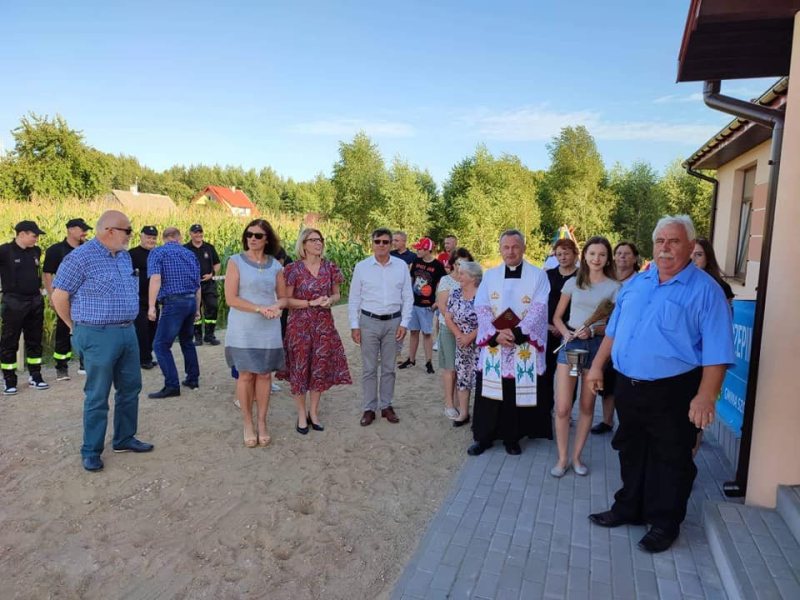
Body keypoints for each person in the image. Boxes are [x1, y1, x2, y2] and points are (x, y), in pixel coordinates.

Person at [585, 215, 734, 553]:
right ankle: (629, 508)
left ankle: (665, 523)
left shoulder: (706, 292)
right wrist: (596, 367)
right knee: (630, 448)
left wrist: (705, 396)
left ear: (691, 246)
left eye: (674, 241)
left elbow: (718, 351)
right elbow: (613, 331)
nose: (665, 248)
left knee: (671, 457)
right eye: (660, 241)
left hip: (674, 389)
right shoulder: (637, 283)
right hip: (628, 385)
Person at [50, 210, 153, 472]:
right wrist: (74, 327)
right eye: (128, 231)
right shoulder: (80, 258)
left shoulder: (124, 256)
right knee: (97, 394)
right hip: (97, 334)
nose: (130, 236)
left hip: (127, 331)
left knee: (130, 388)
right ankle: (91, 450)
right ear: (110, 231)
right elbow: (59, 296)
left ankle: (124, 438)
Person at [467, 229, 551, 456]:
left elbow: (539, 308)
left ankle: (512, 438)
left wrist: (517, 333)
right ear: (500, 249)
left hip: (523, 343)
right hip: (495, 344)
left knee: (515, 392)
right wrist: (495, 335)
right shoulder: (490, 275)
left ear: (524, 248)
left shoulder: (538, 276)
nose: (511, 251)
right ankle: (483, 437)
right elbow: (481, 306)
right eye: (506, 247)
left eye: (515, 247)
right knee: (489, 392)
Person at [551, 236, 620, 477]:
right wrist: (565, 333)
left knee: (587, 405)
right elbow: (557, 317)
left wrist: (594, 330)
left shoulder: (615, 288)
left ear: (607, 258)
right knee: (562, 407)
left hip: (597, 348)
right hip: (571, 345)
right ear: (585, 256)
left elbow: (615, 325)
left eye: (601, 254)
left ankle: (577, 457)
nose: (596, 258)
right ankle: (562, 459)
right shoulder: (573, 283)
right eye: (592, 254)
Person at [278, 228, 351, 434]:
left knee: (319, 370)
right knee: (300, 370)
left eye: (320, 240)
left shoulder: (330, 267)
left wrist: (330, 300)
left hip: (324, 327)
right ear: (304, 244)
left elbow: (337, 294)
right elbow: (286, 300)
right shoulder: (293, 269)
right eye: (313, 240)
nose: (318, 243)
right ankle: (302, 414)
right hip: (299, 327)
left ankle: (314, 412)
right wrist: (310, 303)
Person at [224, 219, 286, 447]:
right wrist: (259, 308)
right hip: (242, 329)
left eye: (258, 235)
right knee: (245, 375)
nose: (252, 238)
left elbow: (283, 297)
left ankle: (262, 422)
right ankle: (248, 423)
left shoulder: (276, 266)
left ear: (267, 239)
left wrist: (277, 307)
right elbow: (231, 299)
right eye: (249, 234)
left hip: (268, 329)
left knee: (264, 375)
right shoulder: (235, 262)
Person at [348, 228, 413, 426]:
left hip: (394, 322)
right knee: (369, 368)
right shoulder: (362, 267)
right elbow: (354, 298)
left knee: (389, 368)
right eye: (378, 241)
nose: (381, 245)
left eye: (385, 242)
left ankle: (386, 405)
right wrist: (354, 325)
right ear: (372, 243)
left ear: (391, 244)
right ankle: (369, 408)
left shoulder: (401, 266)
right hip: (368, 322)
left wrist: (404, 323)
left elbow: (408, 297)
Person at [592, 241, 640, 435]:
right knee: (608, 383)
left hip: (628, 342)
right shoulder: (608, 279)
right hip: (605, 338)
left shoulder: (639, 282)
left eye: (627, 254)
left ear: (635, 258)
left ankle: (628, 425)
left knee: (625, 387)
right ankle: (607, 421)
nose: (622, 257)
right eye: (619, 253)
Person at [147, 227, 201, 398]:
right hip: (190, 300)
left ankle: (172, 385)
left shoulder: (158, 253)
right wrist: (197, 307)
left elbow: (156, 279)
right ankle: (192, 379)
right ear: (179, 237)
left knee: (160, 345)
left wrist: (151, 306)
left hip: (173, 302)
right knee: (187, 341)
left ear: (164, 238)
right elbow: (198, 285)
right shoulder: (190, 254)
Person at [0, 220, 49, 394]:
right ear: (21, 234)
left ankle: (35, 376)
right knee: (9, 341)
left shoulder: (36, 251)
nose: (36, 239)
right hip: (14, 302)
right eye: (34, 235)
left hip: (34, 301)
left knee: (35, 340)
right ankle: (9, 380)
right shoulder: (5, 251)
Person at [43, 218, 91, 380]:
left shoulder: (89, 249)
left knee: (86, 331)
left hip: (85, 300)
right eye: (82, 229)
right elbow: (47, 274)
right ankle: (61, 367)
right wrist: (52, 296)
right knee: (63, 332)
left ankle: (85, 363)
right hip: (65, 298)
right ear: (70, 229)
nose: (85, 233)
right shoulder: (56, 250)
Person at [541, 238, 579, 423]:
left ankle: (567, 411)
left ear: (575, 254)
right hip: (548, 330)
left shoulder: (582, 277)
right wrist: (549, 326)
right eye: (559, 254)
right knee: (547, 373)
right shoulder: (547, 276)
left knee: (572, 374)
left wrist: (565, 329)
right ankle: (546, 409)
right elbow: (540, 304)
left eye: (566, 253)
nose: (563, 257)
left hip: (573, 334)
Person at [398, 237, 446, 374]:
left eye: (420, 249)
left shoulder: (437, 265)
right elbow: (411, 279)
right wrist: (406, 298)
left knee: (427, 333)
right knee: (413, 332)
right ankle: (411, 359)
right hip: (413, 303)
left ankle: (428, 362)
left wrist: (437, 301)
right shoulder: (416, 261)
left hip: (427, 305)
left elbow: (442, 285)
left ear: (427, 250)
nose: (417, 251)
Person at [436, 248, 473, 420]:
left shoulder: (472, 280)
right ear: (453, 264)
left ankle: (461, 404)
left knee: (463, 369)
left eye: (464, 263)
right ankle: (449, 404)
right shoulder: (446, 281)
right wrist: (455, 326)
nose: (460, 267)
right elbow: (442, 306)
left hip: (467, 331)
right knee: (450, 368)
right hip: (449, 329)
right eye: (458, 263)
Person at [446, 259, 482, 428]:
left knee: (480, 379)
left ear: (473, 277)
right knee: (462, 377)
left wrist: (470, 337)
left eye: (462, 274)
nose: (458, 276)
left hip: (481, 343)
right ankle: (463, 413)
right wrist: (460, 335)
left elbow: (489, 320)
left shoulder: (483, 294)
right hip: (461, 343)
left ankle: (481, 415)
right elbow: (448, 317)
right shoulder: (455, 293)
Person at [184, 224, 221, 346]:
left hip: (208, 284)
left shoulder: (209, 247)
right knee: (195, 310)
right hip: (192, 285)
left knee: (213, 307)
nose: (198, 234)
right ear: (190, 234)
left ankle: (210, 335)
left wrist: (212, 274)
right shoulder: (185, 249)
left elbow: (217, 264)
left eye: (200, 232)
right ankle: (198, 337)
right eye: (196, 232)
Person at [129, 226, 159, 370]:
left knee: (153, 329)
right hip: (138, 299)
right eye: (148, 237)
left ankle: (147, 355)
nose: (151, 240)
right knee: (142, 330)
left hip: (154, 299)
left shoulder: (158, 254)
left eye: (153, 238)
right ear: (141, 236)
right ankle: (144, 359)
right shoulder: (132, 254)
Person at [692, 238, 734, 304]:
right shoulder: (677, 282)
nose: (692, 259)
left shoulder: (721, 287)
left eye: (699, 254)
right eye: (689, 253)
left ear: (708, 258)